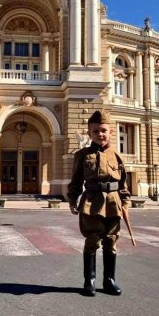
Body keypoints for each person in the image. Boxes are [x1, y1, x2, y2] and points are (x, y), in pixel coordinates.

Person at [68, 110, 131, 297]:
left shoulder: (117, 157)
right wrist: (72, 199)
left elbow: (123, 184)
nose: (100, 134)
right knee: (92, 240)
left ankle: (109, 281)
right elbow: (76, 180)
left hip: (113, 202)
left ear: (111, 132)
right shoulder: (82, 155)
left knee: (111, 241)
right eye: (95, 131)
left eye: (103, 130)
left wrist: (125, 204)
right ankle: (90, 281)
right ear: (89, 133)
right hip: (91, 202)